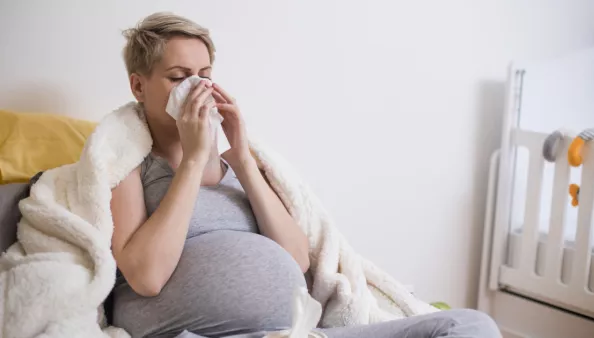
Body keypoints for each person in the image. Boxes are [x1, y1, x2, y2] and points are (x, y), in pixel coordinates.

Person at [110, 12, 502, 338]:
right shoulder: (128, 164)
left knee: (468, 325)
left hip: (296, 332)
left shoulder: (240, 168)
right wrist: (193, 161)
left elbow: (297, 258)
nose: (197, 87)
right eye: (179, 76)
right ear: (139, 86)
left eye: (205, 73)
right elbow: (146, 277)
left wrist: (243, 158)